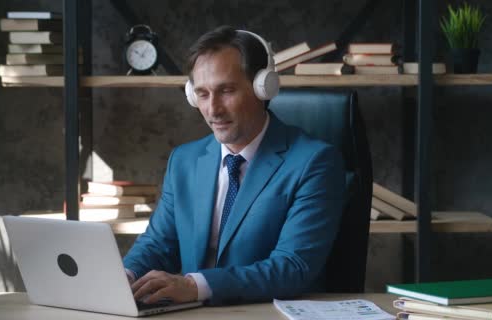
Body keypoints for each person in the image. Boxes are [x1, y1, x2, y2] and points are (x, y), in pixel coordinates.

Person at [123, 25, 345, 306]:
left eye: (226, 91)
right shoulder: (184, 160)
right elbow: (158, 244)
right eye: (202, 94)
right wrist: (123, 275)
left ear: (263, 87)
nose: (213, 109)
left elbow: (293, 266)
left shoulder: (315, 162)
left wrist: (194, 285)